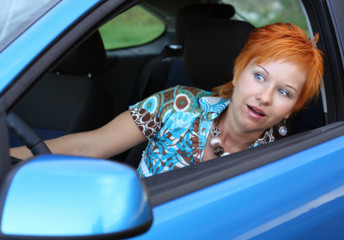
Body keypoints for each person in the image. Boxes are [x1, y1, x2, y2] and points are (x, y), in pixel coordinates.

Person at [10, 23, 324, 178]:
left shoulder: (283, 161)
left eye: (284, 92)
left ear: (292, 110)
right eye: (259, 76)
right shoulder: (176, 104)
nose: (265, 97)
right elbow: (87, 147)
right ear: (239, 71)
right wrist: (7, 160)